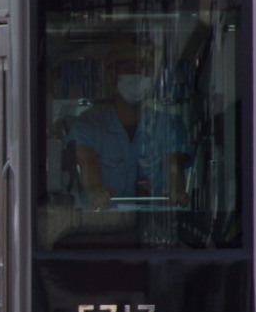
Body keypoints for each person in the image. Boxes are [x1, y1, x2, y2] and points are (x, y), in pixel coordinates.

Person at [68, 48, 189, 210]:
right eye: (129, 69)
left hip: (158, 230)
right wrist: (94, 193)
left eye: (143, 70)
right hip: (103, 230)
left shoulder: (169, 126)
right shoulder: (88, 129)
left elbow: (174, 164)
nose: (137, 75)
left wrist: (176, 191)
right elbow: (88, 165)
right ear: (112, 74)